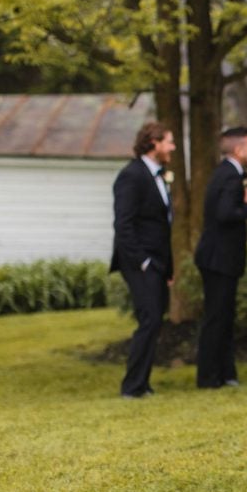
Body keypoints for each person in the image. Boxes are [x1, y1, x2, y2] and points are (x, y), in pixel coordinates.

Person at [110, 122, 176, 399]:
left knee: (154, 320)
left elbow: (162, 226)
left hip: (159, 262)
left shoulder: (158, 176)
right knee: (149, 319)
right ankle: (131, 386)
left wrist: (167, 268)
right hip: (139, 262)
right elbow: (123, 224)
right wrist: (143, 261)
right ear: (154, 143)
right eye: (169, 142)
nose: (172, 147)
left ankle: (143, 383)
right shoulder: (131, 175)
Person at [194, 126, 247, 388]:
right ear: (239, 149)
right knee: (217, 317)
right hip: (219, 258)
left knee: (224, 316)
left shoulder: (226, 173)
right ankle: (209, 376)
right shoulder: (230, 176)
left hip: (219, 258)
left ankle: (226, 372)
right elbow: (225, 212)